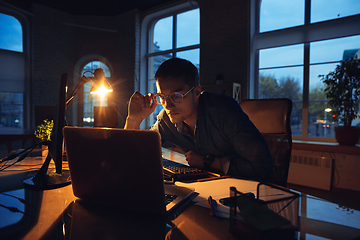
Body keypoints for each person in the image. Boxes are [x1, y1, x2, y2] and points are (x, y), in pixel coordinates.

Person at [125, 58, 273, 180]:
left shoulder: (223, 111)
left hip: (244, 195)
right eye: (162, 97)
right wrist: (133, 119)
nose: (167, 105)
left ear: (196, 91)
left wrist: (207, 161)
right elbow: (132, 158)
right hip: (206, 192)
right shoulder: (166, 118)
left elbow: (262, 166)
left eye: (176, 96)